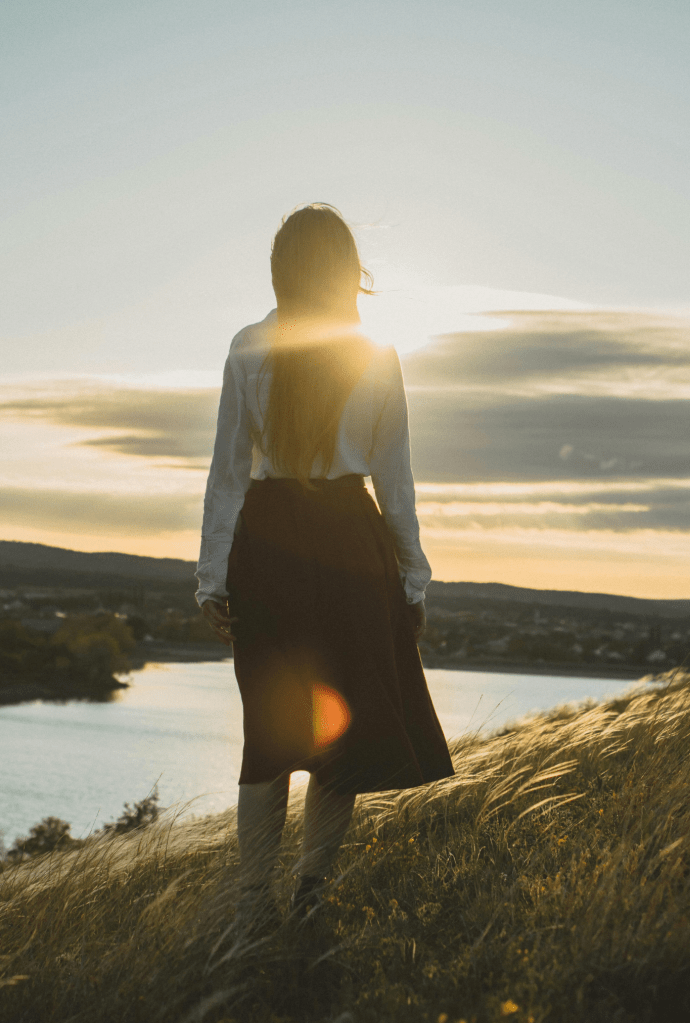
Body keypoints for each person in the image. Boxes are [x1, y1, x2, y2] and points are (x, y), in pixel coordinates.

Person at [195, 203, 454, 925]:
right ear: (347, 272)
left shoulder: (248, 345)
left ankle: (254, 906)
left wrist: (211, 577)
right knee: (336, 733)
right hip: (349, 545)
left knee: (269, 733)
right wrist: (412, 575)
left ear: (279, 269)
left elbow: (227, 475)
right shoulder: (375, 354)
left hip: (268, 545)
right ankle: (309, 893)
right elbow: (394, 478)